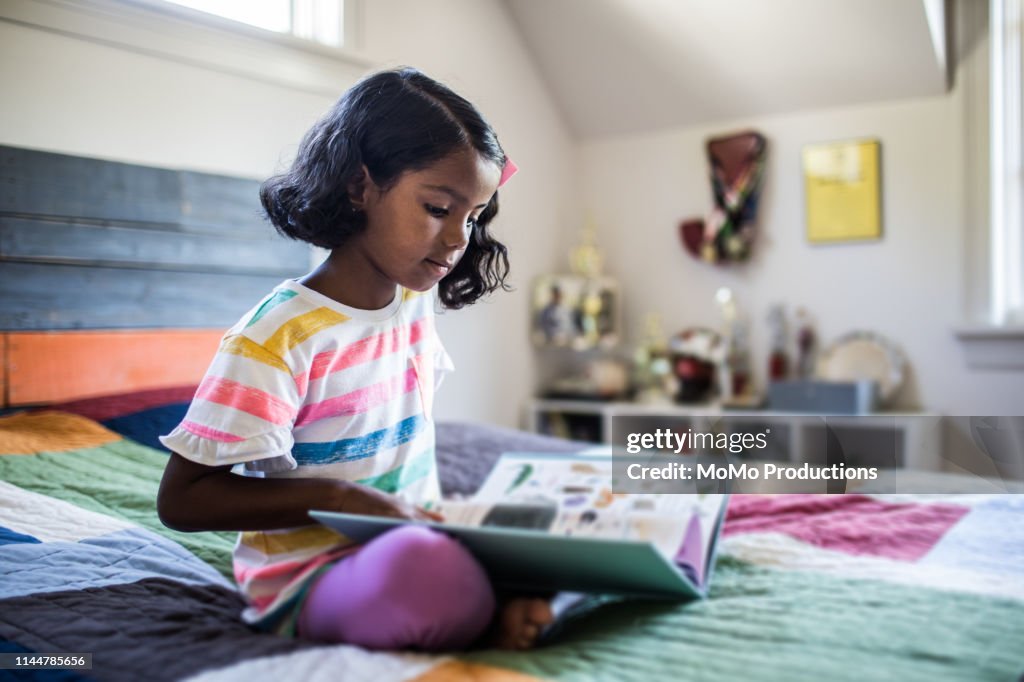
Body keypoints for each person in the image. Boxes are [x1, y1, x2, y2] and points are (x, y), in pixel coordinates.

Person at [156, 68, 553, 652]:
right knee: (425, 571)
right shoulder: (276, 335)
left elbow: (487, 172)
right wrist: (342, 499)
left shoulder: (413, 302)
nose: (457, 240)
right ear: (359, 187)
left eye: (471, 218)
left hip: (411, 531)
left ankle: (505, 595)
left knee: (552, 522)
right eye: (438, 208)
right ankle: (493, 611)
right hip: (314, 577)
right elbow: (182, 499)